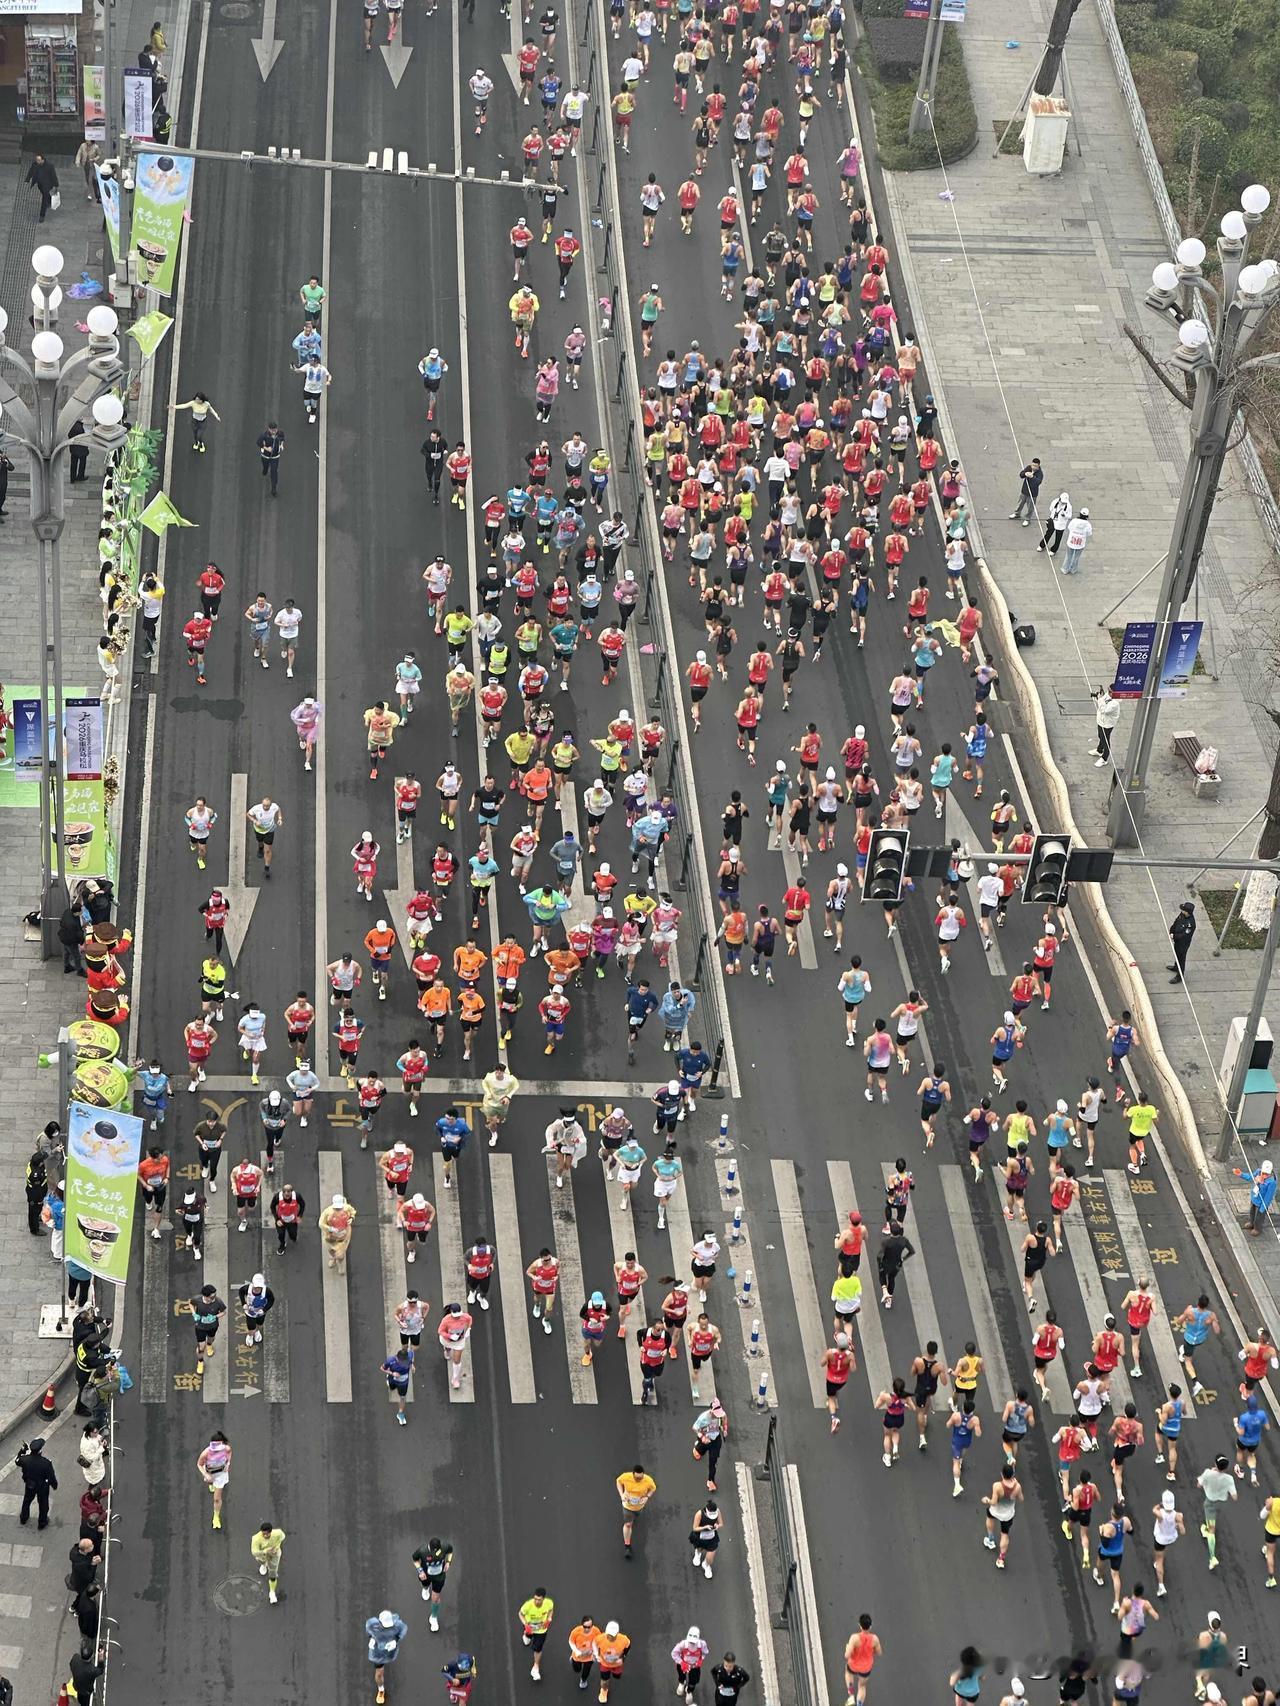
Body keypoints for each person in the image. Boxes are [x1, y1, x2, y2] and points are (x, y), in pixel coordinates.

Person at [366, 1608, 408, 1704]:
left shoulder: (398, 1624)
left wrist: (395, 1640)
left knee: (384, 1664)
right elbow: (368, 1631)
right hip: (378, 1652)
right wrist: (372, 1638)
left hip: (390, 1650)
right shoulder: (372, 1624)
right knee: (379, 1672)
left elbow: (403, 1630)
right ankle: (381, 1690)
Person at [616, 1464, 656, 1556]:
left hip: (639, 1506)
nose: (639, 1480)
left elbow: (653, 1488)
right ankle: (627, 1546)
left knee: (636, 1516)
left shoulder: (648, 1480)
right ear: (633, 1474)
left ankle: (634, 1517)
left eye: (641, 1478)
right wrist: (622, 1495)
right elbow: (618, 1481)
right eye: (637, 1478)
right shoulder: (626, 1477)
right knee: (628, 1524)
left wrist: (647, 1497)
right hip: (628, 1506)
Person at [17, 1437, 57, 1528]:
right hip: (42, 1486)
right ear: (40, 1450)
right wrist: (54, 1485)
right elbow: (51, 1476)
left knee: (27, 1501)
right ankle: (42, 1522)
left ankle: (24, 1518)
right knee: (43, 1504)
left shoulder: (25, 1460)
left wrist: (22, 1451)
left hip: (30, 1484)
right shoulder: (46, 1463)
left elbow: (17, 1460)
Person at [843, 1616, 881, 1705]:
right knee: (862, 1686)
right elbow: (879, 1652)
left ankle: (851, 1694)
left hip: (853, 1664)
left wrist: (848, 1648)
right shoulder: (875, 1639)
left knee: (848, 1673)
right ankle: (859, 1704)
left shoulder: (854, 1638)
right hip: (866, 1668)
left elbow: (846, 1655)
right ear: (870, 1626)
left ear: (860, 1625)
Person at [519, 1588, 555, 1680]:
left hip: (541, 1630)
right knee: (527, 1639)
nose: (536, 1601)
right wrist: (526, 1625)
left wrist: (549, 1619)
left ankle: (535, 1668)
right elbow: (520, 1614)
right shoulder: (528, 1605)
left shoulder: (549, 1603)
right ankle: (526, 1636)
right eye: (535, 1599)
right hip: (530, 1628)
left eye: (539, 1599)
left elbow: (551, 1610)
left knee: (538, 1648)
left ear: (543, 1599)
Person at [252, 1523, 286, 1605]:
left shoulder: (278, 1533)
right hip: (262, 1555)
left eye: (267, 1534)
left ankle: (272, 1593)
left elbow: (282, 1537)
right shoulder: (256, 1539)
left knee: (273, 1574)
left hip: (274, 1555)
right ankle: (263, 1565)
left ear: (271, 1532)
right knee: (261, 1561)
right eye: (264, 1534)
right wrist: (265, 1551)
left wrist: (276, 1547)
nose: (266, 1535)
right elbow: (254, 1552)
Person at [25, 152, 59, 221]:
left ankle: (42, 215)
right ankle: (49, 200)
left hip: (47, 185)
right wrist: (27, 179)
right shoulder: (35, 164)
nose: (37, 161)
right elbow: (31, 171)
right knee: (44, 194)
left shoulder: (49, 166)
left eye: (39, 160)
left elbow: (53, 176)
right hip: (40, 184)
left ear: (43, 160)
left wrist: (56, 185)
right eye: (36, 160)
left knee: (44, 198)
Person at [1168, 899, 1196, 984]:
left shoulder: (1190, 924)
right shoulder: (1182, 915)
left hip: (1183, 944)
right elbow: (1176, 922)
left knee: (1181, 959)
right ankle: (1176, 967)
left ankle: (1179, 976)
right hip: (1177, 940)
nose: (1182, 910)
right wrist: (1171, 931)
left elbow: (1184, 935)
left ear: (1187, 912)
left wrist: (1174, 936)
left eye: (1183, 909)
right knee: (1177, 954)